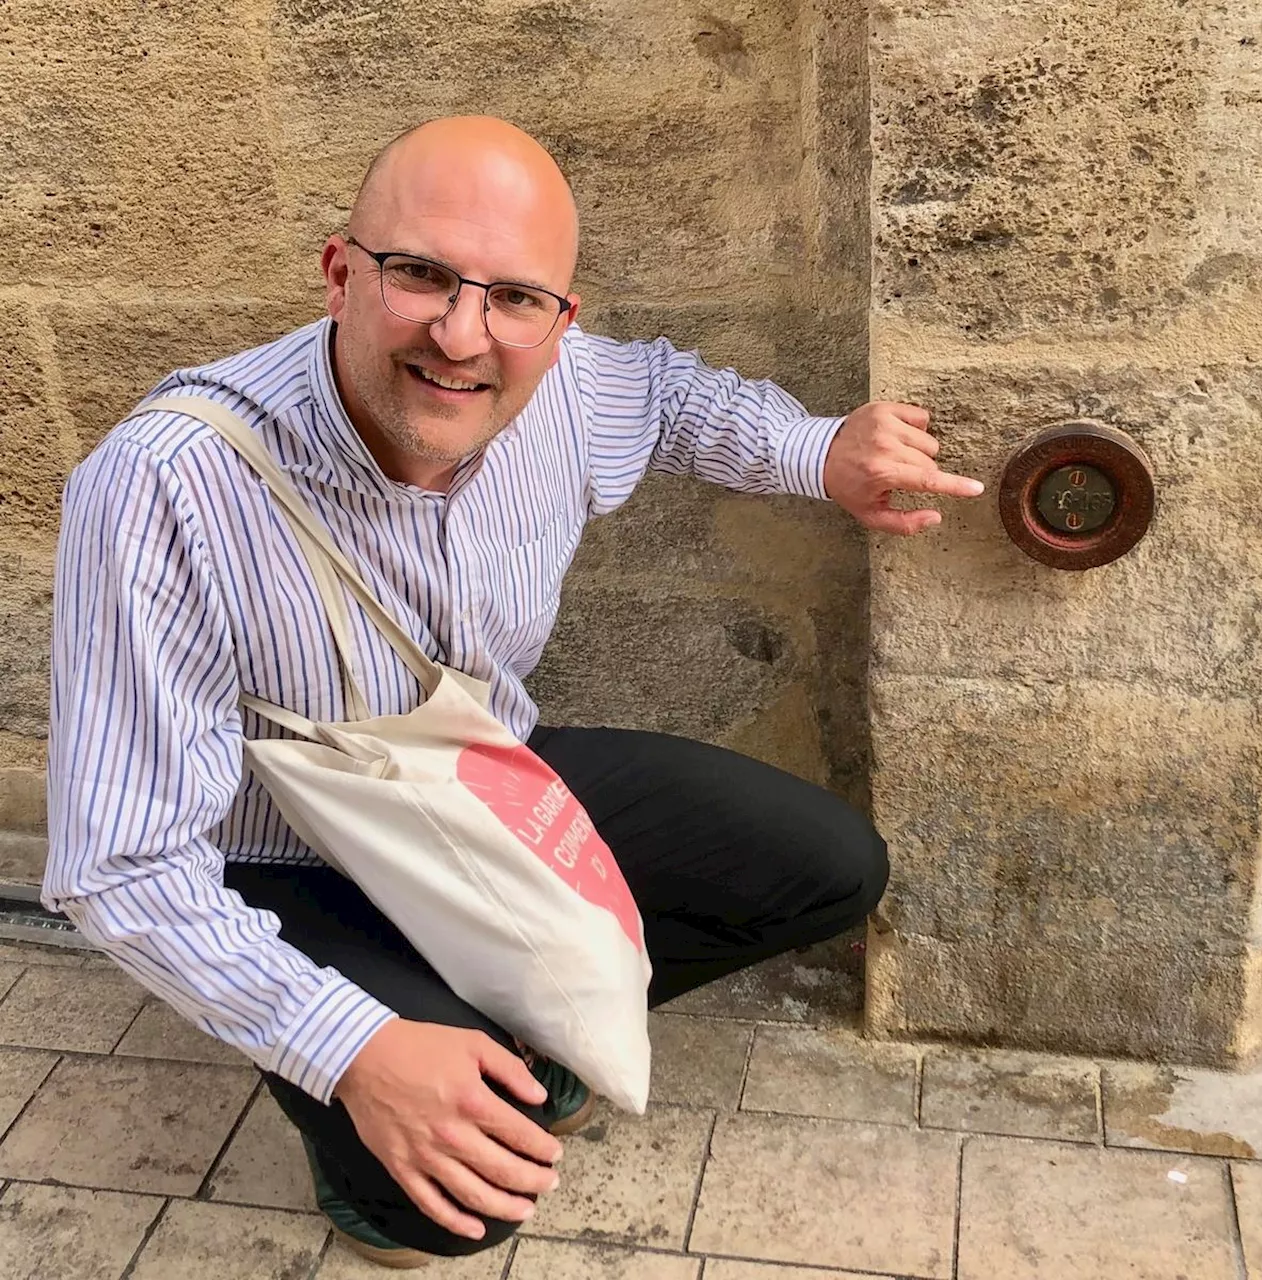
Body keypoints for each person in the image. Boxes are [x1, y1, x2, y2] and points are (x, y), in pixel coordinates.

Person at [43, 116, 983, 1268]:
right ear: (342, 272)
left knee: (826, 865)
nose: (460, 333)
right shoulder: (162, 486)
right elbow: (118, 862)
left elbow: (671, 396)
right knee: (458, 1204)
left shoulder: (563, 384)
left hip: (473, 787)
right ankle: (376, 1109)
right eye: (419, 275)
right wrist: (349, 1045)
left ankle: (494, 1029)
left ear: (557, 320)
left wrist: (816, 450)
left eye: (512, 298)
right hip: (282, 856)